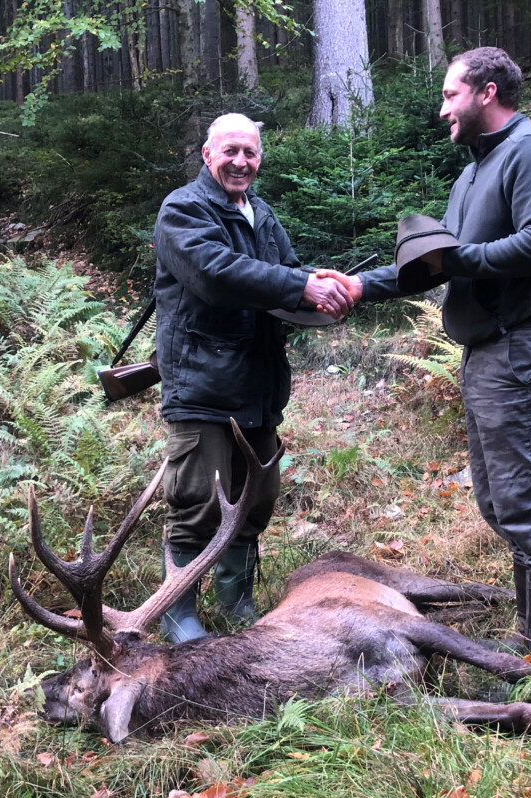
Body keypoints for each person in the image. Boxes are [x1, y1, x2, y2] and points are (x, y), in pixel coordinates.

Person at [325, 47, 531, 664]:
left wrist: (457, 260)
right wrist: (364, 286)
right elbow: (434, 266)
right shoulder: (472, 173)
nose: (442, 107)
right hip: (486, 353)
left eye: (450, 95)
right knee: (500, 501)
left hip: (523, 346)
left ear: (487, 91)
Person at [153, 113, 354, 643]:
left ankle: (236, 600)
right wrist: (300, 284)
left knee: (253, 499)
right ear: (207, 154)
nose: (241, 162)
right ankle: (178, 611)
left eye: (251, 153)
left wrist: (327, 294)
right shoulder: (183, 210)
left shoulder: (261, 215)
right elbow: (215, 275)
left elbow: (285, 280)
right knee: (196, 499)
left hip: (259, 386)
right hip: (202, 386)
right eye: (231, 151)